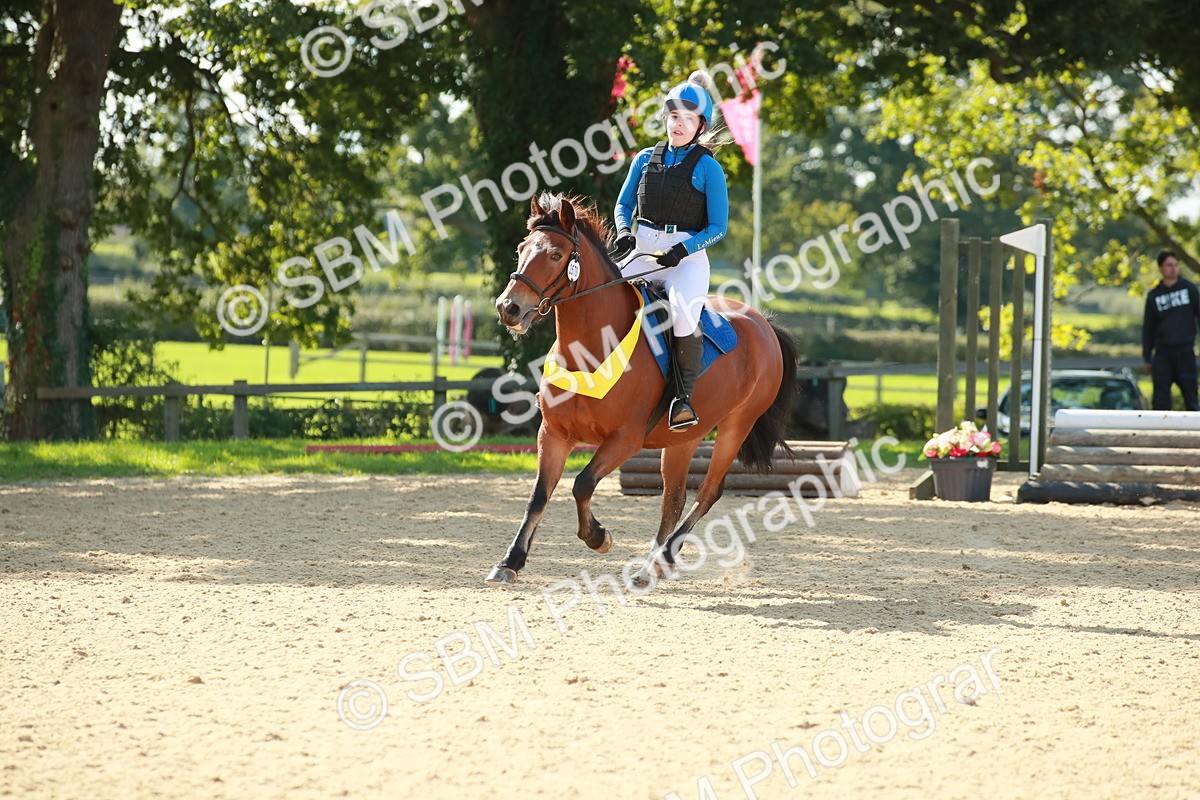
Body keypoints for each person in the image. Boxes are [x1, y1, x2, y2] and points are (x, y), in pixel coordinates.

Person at [611, 71, 729, 430]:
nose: (678, 125)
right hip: (642, 251)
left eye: (687, 119)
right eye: (674, 116)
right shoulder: (644, 158)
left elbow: (718, 227)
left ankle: (681, 399)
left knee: (682, 314)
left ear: (700, 126)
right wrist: (624, 233)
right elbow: (622, 205)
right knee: (599, 296)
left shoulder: (709, 168)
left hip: (686, 260)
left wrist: (684, 249)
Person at [1142, 249, 1200, 411]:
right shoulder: (1154, 295)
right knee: (1161, 399)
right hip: (1163, 353)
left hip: (1185, 352)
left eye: (1175, 265)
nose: (1173, 269)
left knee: (1191, 395)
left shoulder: (1189, 289)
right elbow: (1148, 328)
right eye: (1169, 265)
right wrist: (1147, 356)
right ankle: (1161, 434)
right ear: (1161, 268)